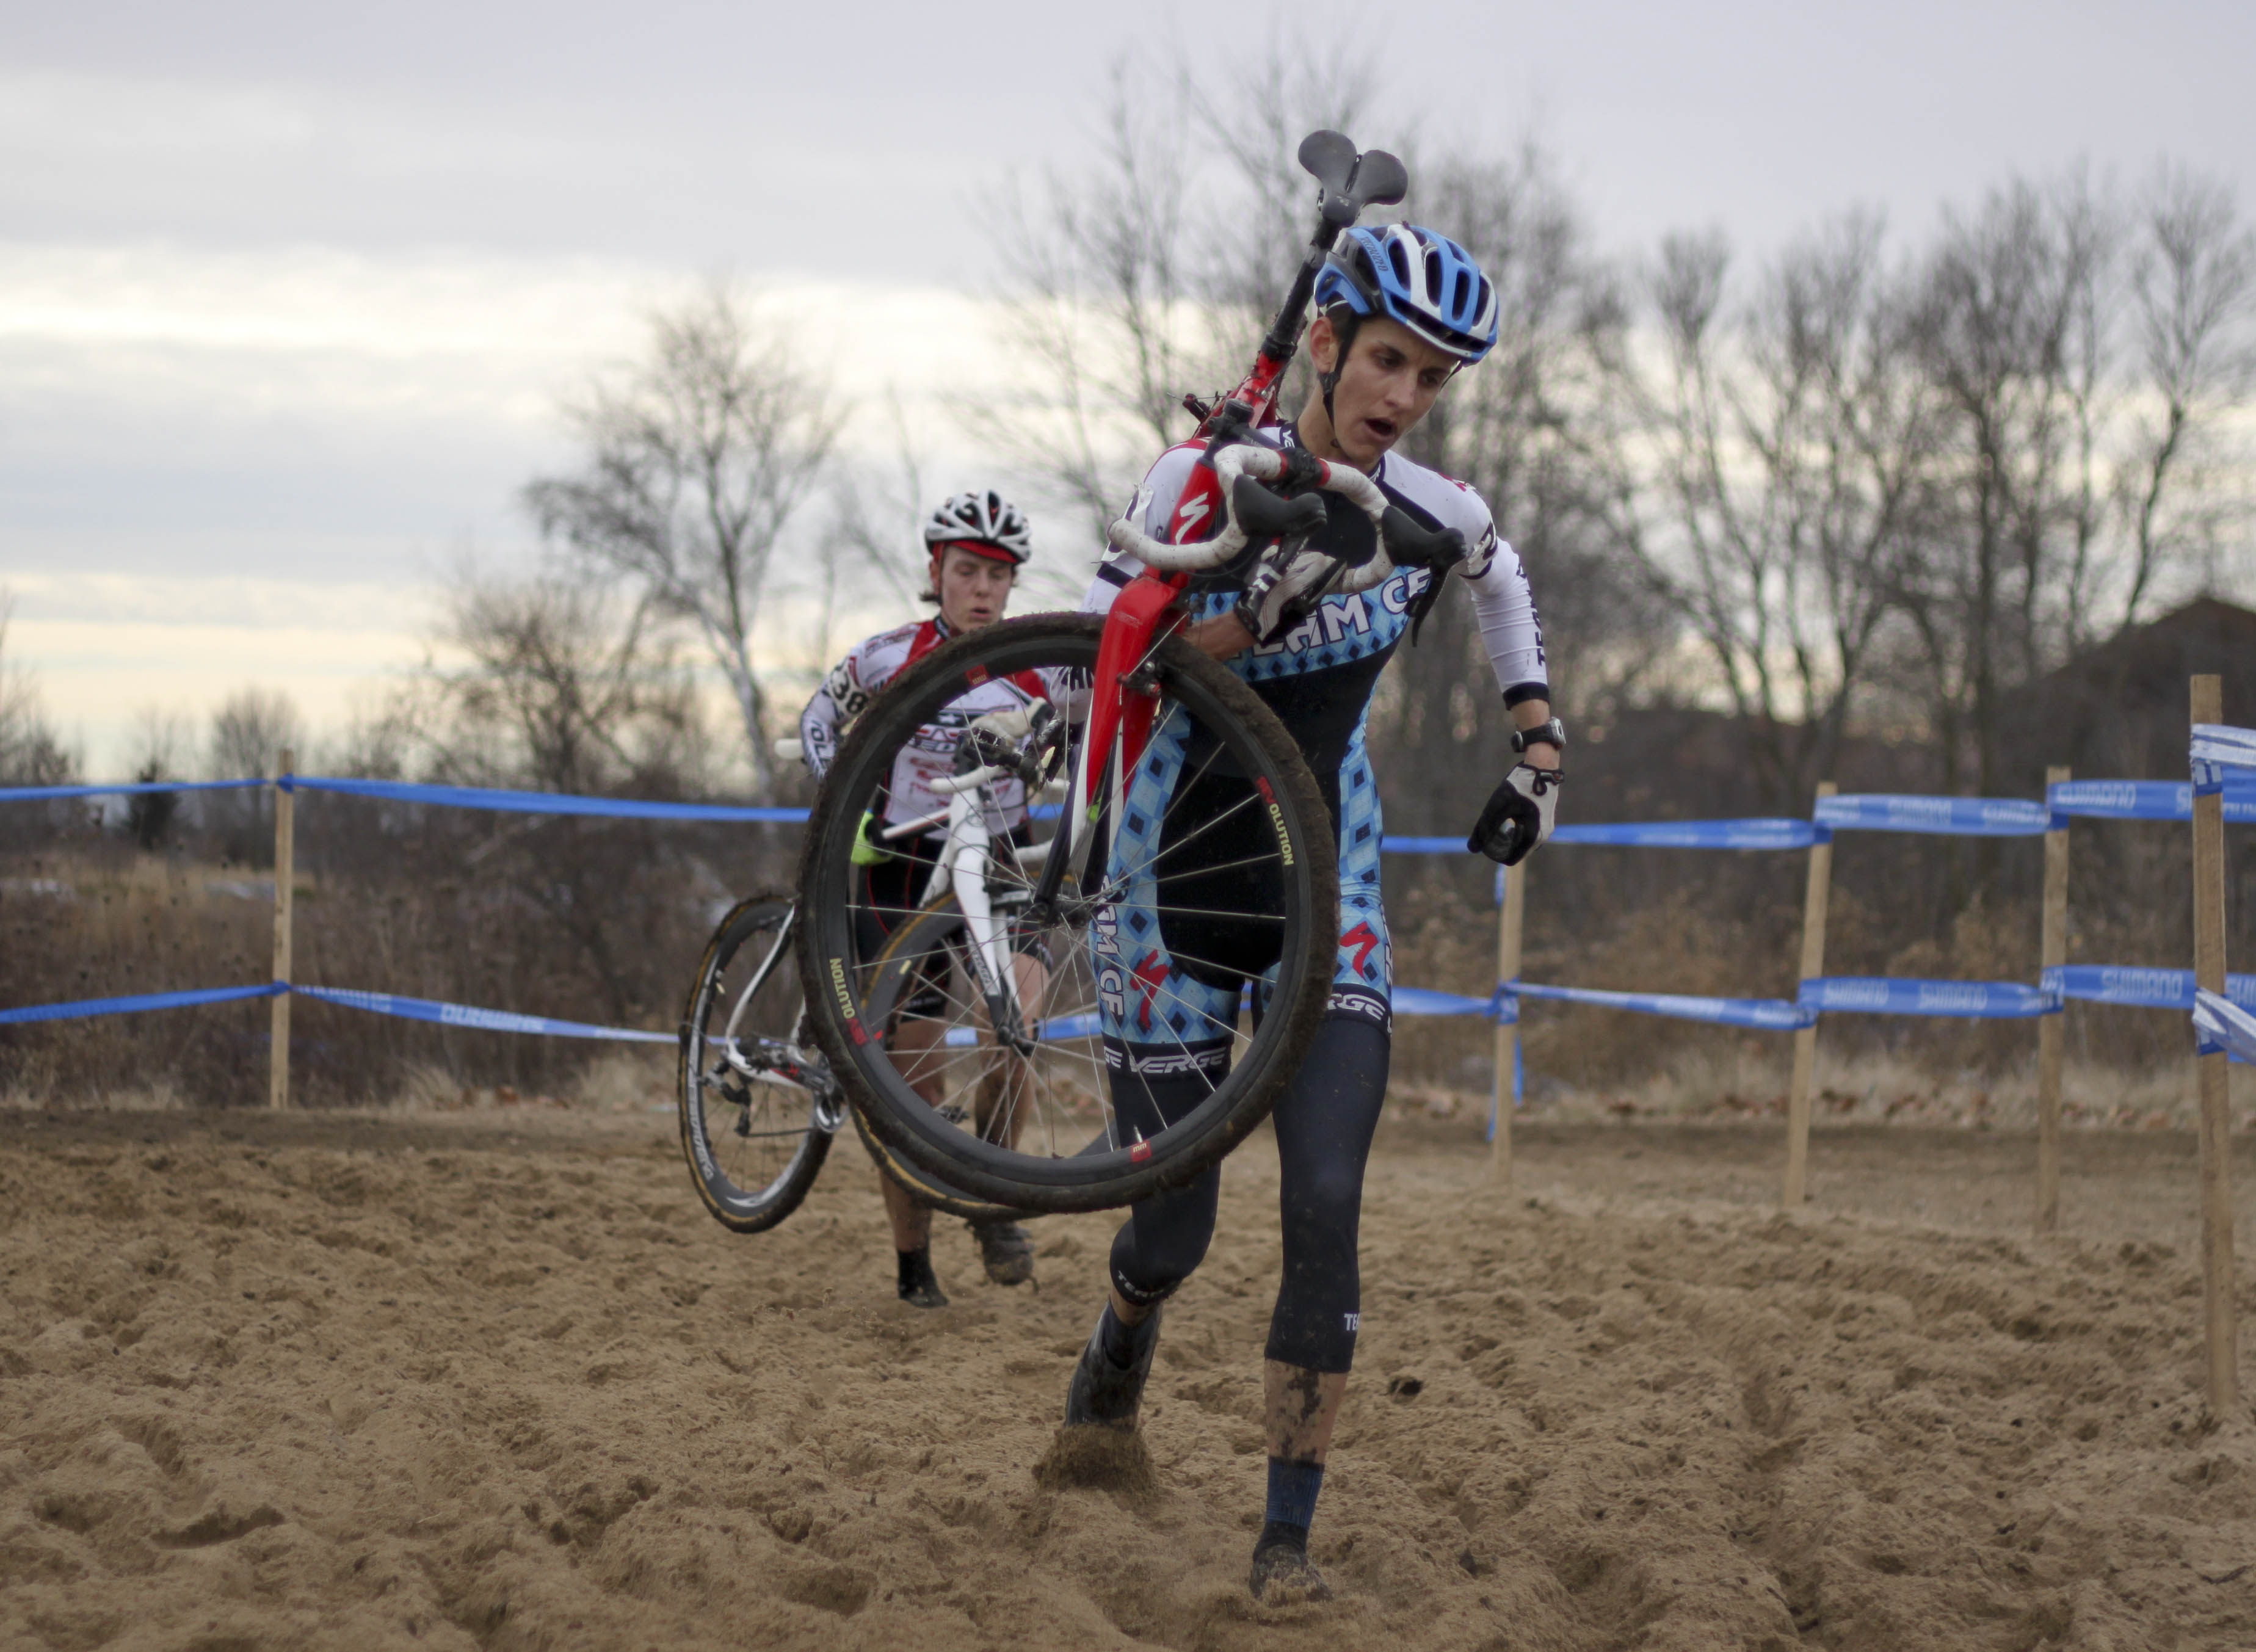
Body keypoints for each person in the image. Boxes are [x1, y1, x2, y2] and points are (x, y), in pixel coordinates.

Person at [1063, 224, 1565, 1603]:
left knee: (1328, 1200)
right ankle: (1117, 1346)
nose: (1403, 394)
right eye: (1390, 359)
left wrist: (1538, 748)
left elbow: (1501, 577)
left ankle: (1285, 1540)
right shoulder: (1201, 474)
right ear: (1328, 341)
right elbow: (1095, 663)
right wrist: (1237, 609)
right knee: (1173, 1235)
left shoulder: (1431, 514)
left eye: (1434, 379)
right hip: (1172, 881)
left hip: (1324, 879)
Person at [799, 488, 1052, 1308]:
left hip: (1004, 867)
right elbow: (816, 720)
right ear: (936, 572)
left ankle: (997, 1199)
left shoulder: (1045, 663)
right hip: (903, 874)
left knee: (1013, 1035)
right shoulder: (885, 656)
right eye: (968, 571)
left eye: (999, 576)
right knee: (912, 1091)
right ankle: (914, 1268)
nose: (983, 589)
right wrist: (846, 806)